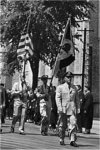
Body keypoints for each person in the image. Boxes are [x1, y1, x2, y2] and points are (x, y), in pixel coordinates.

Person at [56, 71, 80, 147]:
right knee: (62, 125)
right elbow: (58, 98)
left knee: (73, 124)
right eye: (68, 77)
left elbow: (77, 99)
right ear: (65, 78)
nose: (70, 79)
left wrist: (78, 108)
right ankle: (61, 138)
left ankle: (72, 140)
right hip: (63, 108)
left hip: (72, 108)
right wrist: (59, 107)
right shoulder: (60, 87)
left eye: (71, 77)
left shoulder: (74, 87)